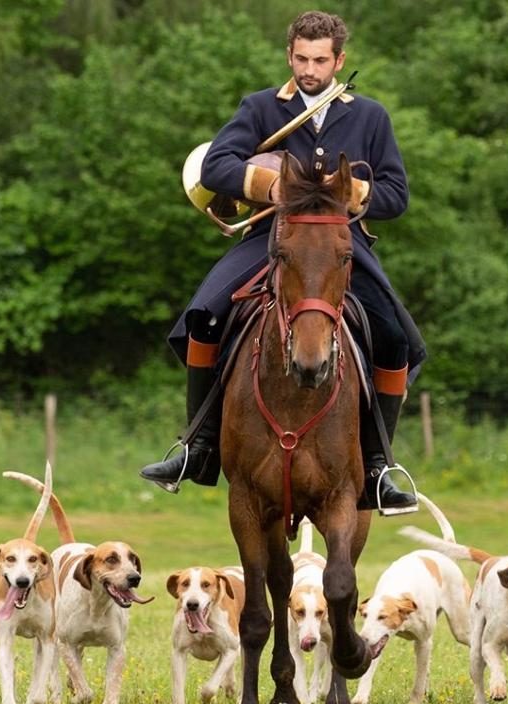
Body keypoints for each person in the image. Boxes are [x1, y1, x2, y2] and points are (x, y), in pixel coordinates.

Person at [140, 11, 426, 514]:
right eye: (300, 58)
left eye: (319, 60)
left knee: (396, 337)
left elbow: (397, 194)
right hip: (272, 237)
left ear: (340, 60)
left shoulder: (370, 116)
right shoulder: (259, 108)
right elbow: (215, 165)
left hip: (342, 245)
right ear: (289, 55)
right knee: (204, 314)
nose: (308, 69)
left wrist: (346, 193)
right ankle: (198, 446)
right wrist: (270, 185)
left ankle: (379, 467)